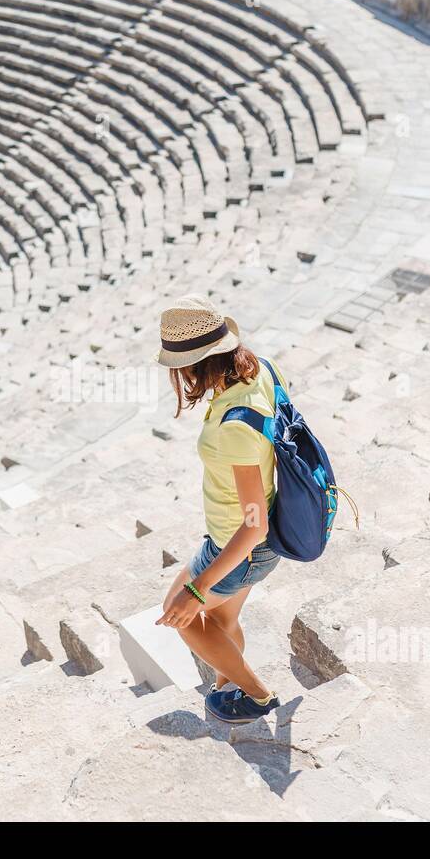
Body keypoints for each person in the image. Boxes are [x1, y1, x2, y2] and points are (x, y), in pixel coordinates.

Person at [154, 295, 283, 724]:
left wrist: (197, 589)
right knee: (222, 618)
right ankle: (229, 687)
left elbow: (254, 526)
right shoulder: (259, 370)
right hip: (236, 539)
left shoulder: (234, 426)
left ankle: (258, 696)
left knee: (183, 614)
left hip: (240, 546)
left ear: (195, 363)